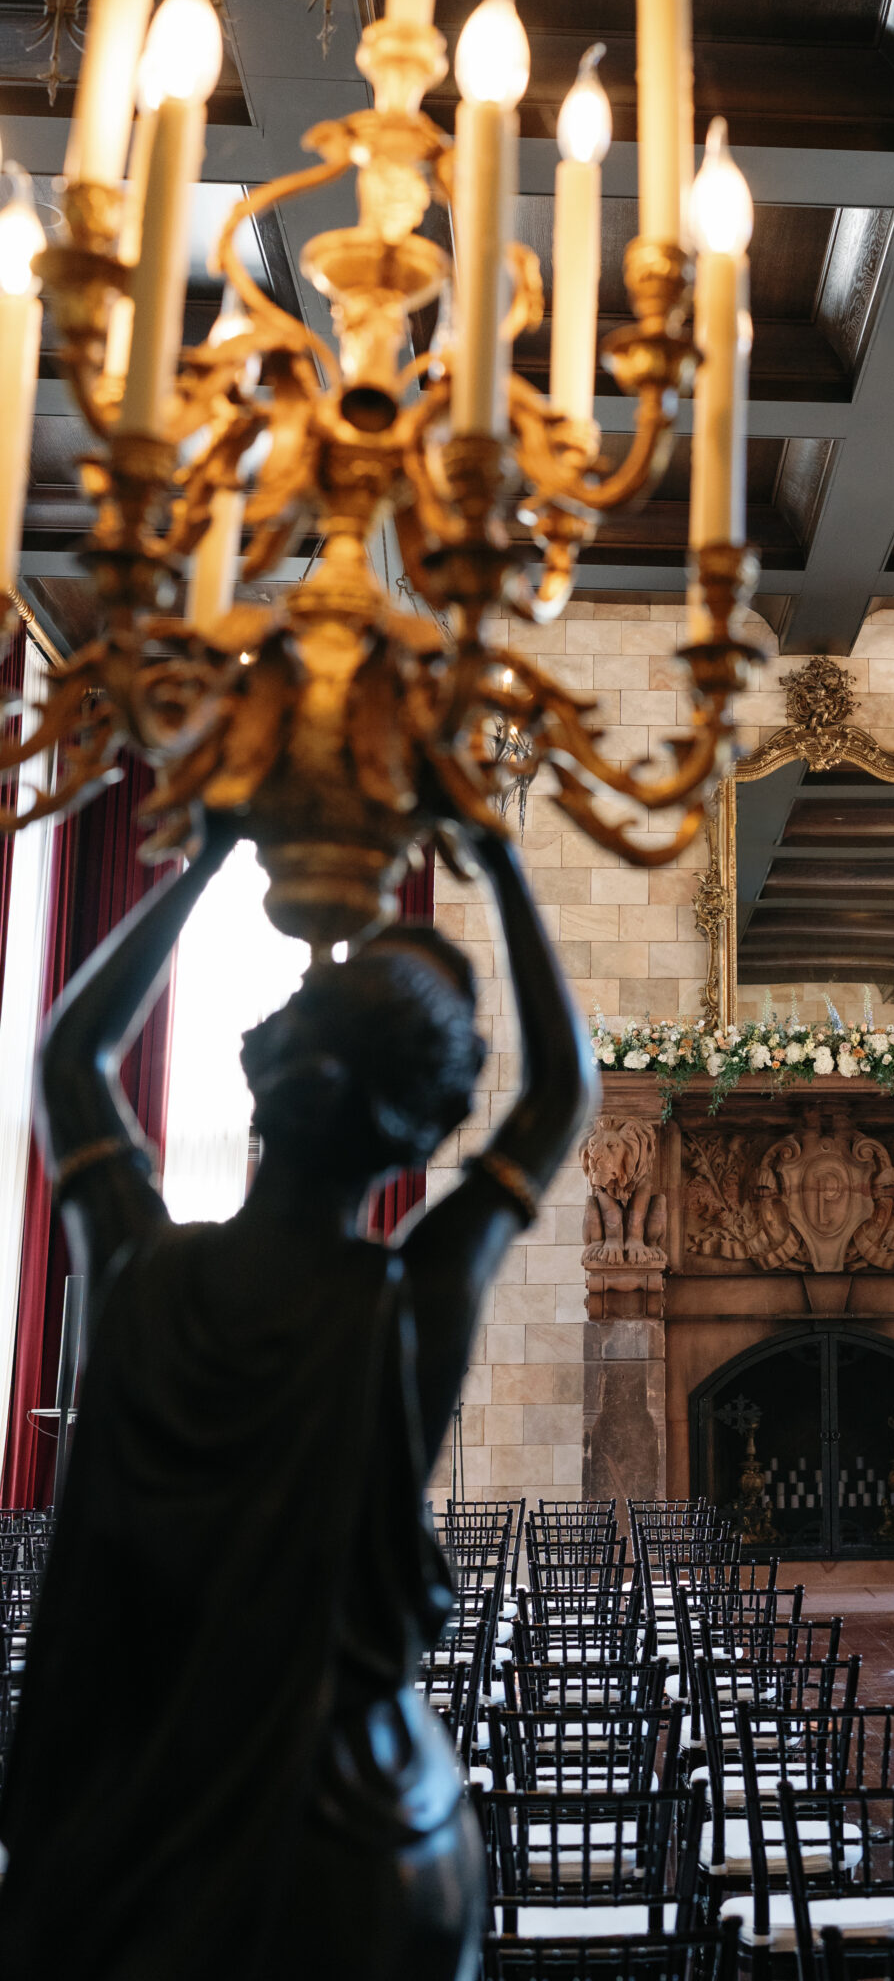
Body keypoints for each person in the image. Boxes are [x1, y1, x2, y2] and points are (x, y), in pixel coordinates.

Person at [0, 808, 597, 1981]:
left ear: (264, 1070)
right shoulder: (407, 1302)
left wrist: (211, 853)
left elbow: (69, 1061)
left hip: (119, 1817)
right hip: (355, 1837)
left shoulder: (131, 1271)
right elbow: (562, 1094)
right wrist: (500, 853)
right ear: (420, 1126)